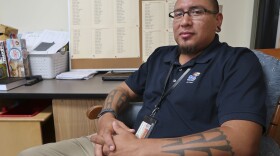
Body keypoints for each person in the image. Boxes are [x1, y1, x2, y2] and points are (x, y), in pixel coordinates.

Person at [19, 0, 266, 155]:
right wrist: (107, 117)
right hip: (124, 142)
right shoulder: (161, 56)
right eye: (178, 14)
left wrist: (140, 149)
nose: (185, 21)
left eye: (197, 11)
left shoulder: (237, 61)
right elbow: (123, 91)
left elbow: (242, 141)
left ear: (218, 20)